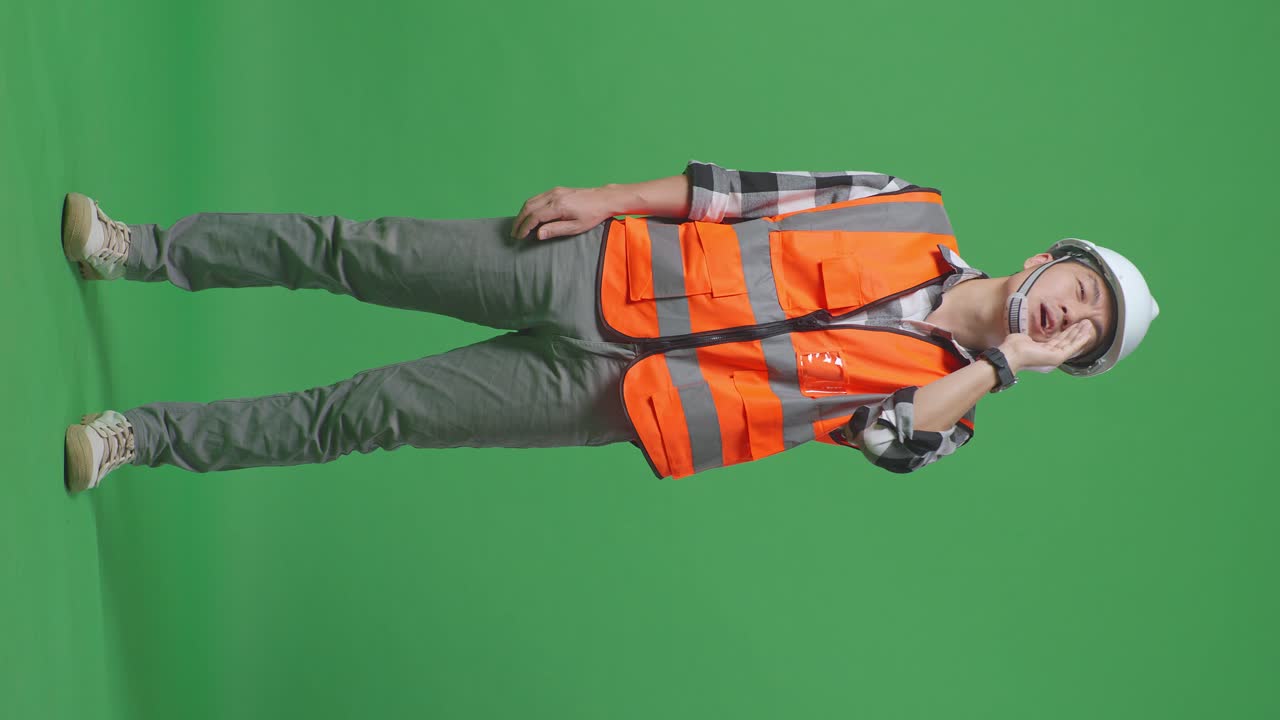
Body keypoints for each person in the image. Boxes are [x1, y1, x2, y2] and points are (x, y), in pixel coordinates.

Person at [61, 160, 1159, 493]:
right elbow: (734, 194)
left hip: (617, 402)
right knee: (364, 249)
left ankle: (140, 438)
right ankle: (138, 249)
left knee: (373, 413)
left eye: (1084, 334)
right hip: (601, 273)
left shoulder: (954, 413)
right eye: (1081, 289)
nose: (1070, 315)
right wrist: (605, 203)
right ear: (1050, 256)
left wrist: (1005, 366)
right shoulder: (907, 203)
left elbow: (886, 440)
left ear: (1065, 358)